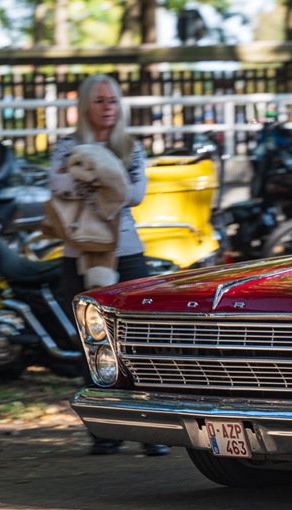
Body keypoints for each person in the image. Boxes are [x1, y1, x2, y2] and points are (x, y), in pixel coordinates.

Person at [50, 74, 169, 457]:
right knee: (93, 342)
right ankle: (105, 432)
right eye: (100, 100)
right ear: (86, 104)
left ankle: (151, 431)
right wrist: (107, 181)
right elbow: (59, 187)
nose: (108, 107)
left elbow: (135, 193)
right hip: (79, 252)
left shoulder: (130, 146)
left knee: (140, 340)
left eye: (113, 100)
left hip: (127, 251)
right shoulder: (66, 145)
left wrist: (90, 180)